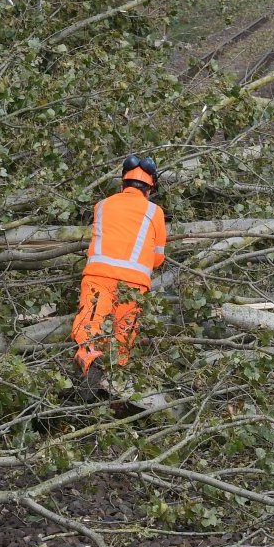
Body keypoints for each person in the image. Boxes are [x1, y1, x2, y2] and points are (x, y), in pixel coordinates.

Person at [71, 155, 167, 389]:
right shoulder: (155, 212)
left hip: (99, 276)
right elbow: (158, 258)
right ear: (149, 189)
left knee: (89, 327)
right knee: (123, 338)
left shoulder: (102, 205)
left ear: (123, 184)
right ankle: (114, 382)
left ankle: (89, 367)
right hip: (134, 285)